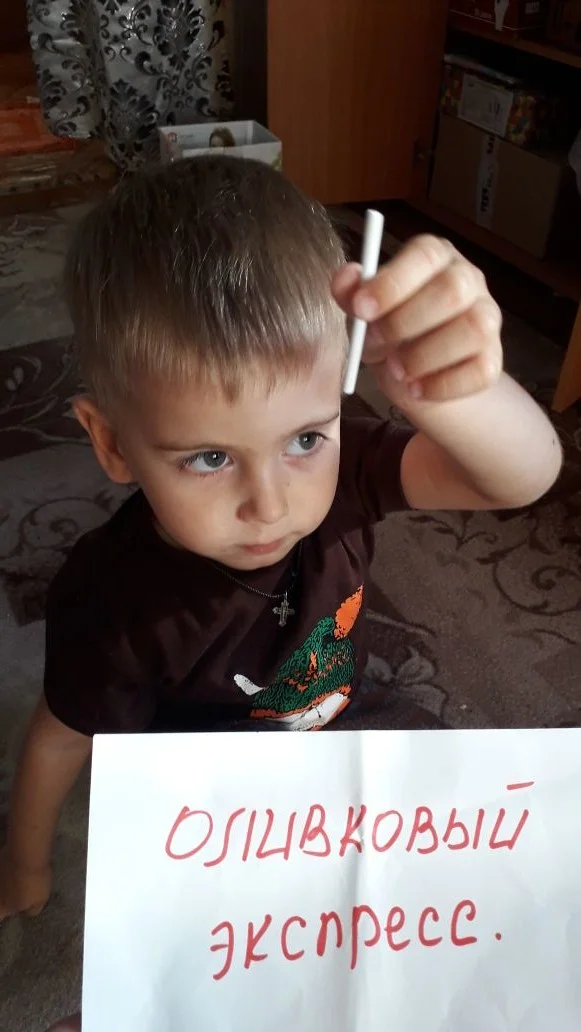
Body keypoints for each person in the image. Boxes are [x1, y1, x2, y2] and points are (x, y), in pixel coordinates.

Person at [0, 156, 561, 1029]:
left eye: (304, 438)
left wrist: (462, 392)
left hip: (341, 727)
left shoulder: (347, 469)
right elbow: (60, 737)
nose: (271, 504)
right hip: (205, 799)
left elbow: (520, 477)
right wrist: (26, 865)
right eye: (208, 457)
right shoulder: (110, 601)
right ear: (110, 444)